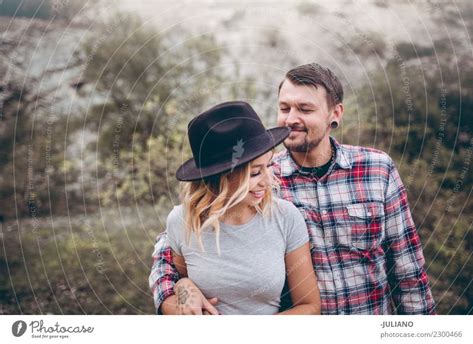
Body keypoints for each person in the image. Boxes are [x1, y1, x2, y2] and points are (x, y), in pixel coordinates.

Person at [150, 63, 436, 315]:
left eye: (305, 109)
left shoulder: (376, 169)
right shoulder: (258, 180)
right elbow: (171, 254)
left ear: (335, 114)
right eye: (284, 108)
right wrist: (178, 287)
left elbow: (407, 268)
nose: (290, 119)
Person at [155, 100, 320, 315]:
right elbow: (178, 277)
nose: (267, 181)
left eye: (268, 166)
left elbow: (310, 307)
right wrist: (183, 285)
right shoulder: (182, 220)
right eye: (254, 173)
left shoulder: (285, 216)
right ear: (219, 178)